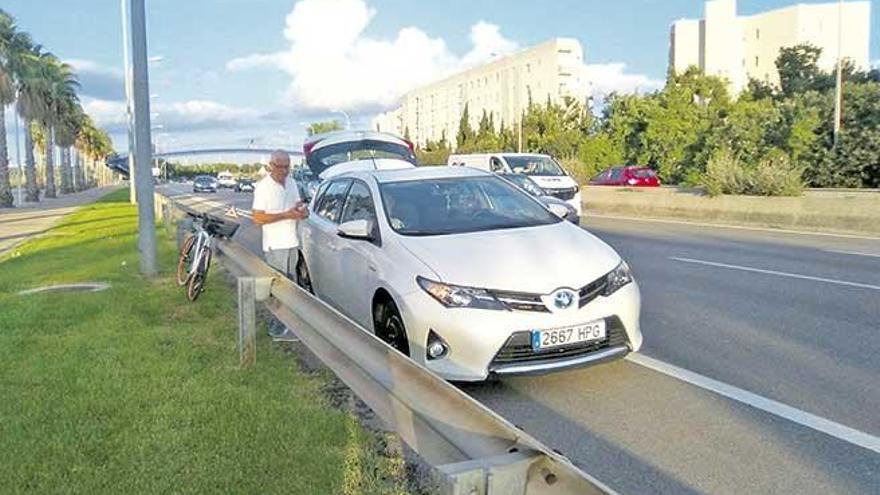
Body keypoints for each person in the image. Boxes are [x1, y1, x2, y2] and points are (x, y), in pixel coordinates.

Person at [252, 150, 309, 340]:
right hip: (275, 245)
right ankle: (276, 327)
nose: (284, 171)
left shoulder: (291, 182)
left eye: (287, 166)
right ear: (271, 165)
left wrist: (302, 211)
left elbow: (297, 203)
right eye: (281, 167)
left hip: (292, 241)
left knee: (290, 285)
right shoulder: (263, 187)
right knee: (278, 288)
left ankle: (284, 324)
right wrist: (286, 215)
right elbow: (258, 218)